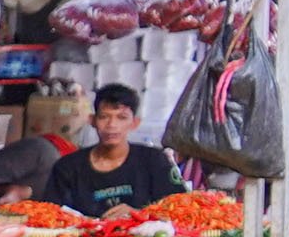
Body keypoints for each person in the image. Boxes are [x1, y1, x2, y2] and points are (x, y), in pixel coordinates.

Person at [42, 85, 188, 218]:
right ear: (92, 121)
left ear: (134, 123)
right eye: (104, 117)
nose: (112, 125)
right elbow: (52, 215)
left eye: (121, 117)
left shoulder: (154, 160)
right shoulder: (67, 167)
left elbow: (180, 209)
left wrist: (139, 215)